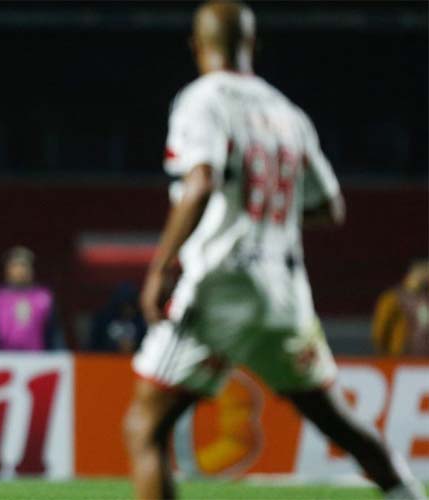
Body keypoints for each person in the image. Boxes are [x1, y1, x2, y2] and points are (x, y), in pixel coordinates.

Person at [124, 3, 426, 499]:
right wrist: (269, 213)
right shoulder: (288, 113)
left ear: (197, 46)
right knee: (337, 421)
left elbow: (200, 182)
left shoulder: (202, 101)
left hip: (221, 287)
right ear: (253, 46)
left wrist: (160, 268)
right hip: (285, 295)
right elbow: (331, 206)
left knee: (146, 427)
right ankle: (408, 492)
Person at [0, 246, 65, 351]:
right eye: (15, 265)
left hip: (37, 360)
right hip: (3, 359)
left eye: (24, 265)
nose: (20, 270)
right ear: (7, 269)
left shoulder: (44, 297)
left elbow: (55, 335)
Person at [372, 260, 429, 356]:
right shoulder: (392, 299)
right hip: (401, 356)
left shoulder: (425, 298)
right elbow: (380, 332)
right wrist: (388, 353)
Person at [88, 282, 146, 353]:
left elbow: (145, 344)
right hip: (107, 360)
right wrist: (115, 346)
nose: (128, 311)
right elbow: (93, 345)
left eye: (131, 307)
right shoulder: (103, 320)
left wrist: (134, 345)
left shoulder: (140, 322)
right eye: (125, 307)